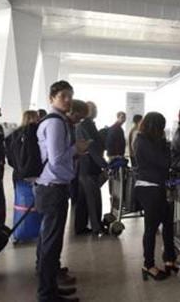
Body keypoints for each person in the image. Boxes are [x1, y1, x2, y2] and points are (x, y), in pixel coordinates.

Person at [35, 81, 88, 302]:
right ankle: (47, 293)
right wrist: (77, 148)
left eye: (70, 96)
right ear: (52, 98)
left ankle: (50, 287)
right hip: (53, 187)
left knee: (48, 240)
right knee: (51, 242)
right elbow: (56, 159)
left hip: (50, 186)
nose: (67, 100)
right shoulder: (55, 123)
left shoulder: (55, 121)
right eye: (63, 96)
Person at [134, 112, 176, 281]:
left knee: (168, 224)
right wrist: (165, 145)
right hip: (148, 188)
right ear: (155, 126)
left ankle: (170, 259)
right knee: (151, 228)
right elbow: (165, 161)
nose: (163, 130)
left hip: (158, 186)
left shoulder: (150, 140)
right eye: (161, 126)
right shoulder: (142, 141)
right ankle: (148, 265)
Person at [75, 101, 108, 236]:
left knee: (83, 199)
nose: (96, 110)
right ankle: (97, 227)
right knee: (94, 198)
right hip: (89, 166)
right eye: (93, 108)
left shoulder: (87, 125)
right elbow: (92, 147)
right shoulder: (86, 125)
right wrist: (104, 164)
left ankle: (80, 226)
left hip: (84, 166)